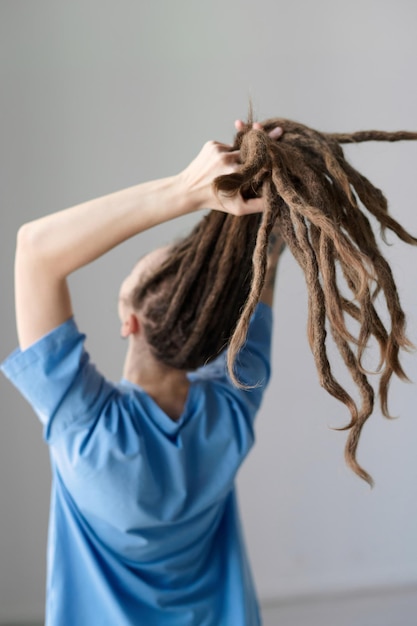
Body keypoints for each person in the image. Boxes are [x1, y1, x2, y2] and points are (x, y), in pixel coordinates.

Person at [1, 120, 285, 625]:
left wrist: (188, 192)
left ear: (127, 319)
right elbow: (267, 254)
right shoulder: (232, 411)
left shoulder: (85, 429)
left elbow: (35, 250)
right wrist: (273, 183)